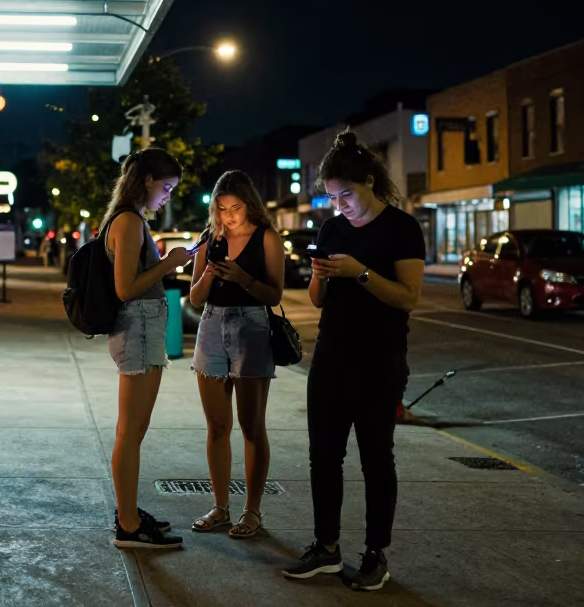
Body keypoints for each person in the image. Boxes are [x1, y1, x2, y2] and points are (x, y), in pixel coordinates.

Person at [281, 131, 425, 591]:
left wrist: (359, 273)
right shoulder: (330, 229)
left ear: (368, 181)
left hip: (380, 360)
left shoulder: (401, 228)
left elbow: (407, 298)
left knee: (376, 457)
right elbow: (318, 300)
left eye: (345, 194)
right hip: (331, 356)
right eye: (330, 196)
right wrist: (322, 276)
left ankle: (375, 554)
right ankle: (326, 547)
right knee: (323, 456)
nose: (339, 203)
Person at [103, 148, 194, 549]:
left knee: (135, 430)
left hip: (143, 327)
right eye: (167, 186)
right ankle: (127, 523)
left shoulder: (132, 220)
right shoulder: (127, 222)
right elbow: (125, 287)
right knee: (130, 431)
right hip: (136, 326)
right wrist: (170, 263)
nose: (169, 195)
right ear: (147, 181)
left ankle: (131, 513)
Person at [187, 170, 285, 539]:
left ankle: (253, 511)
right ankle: (220, 506)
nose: (229, 216)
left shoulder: (267, 238)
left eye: (236, 208)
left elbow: (274, 294)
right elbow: (195, 299)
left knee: (251, 425)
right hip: (211, 327)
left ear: (250, 205)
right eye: (222, 208)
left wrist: (242, 278)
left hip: (252, 329)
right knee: (216, 427)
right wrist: (211, 274)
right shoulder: (210, 237)